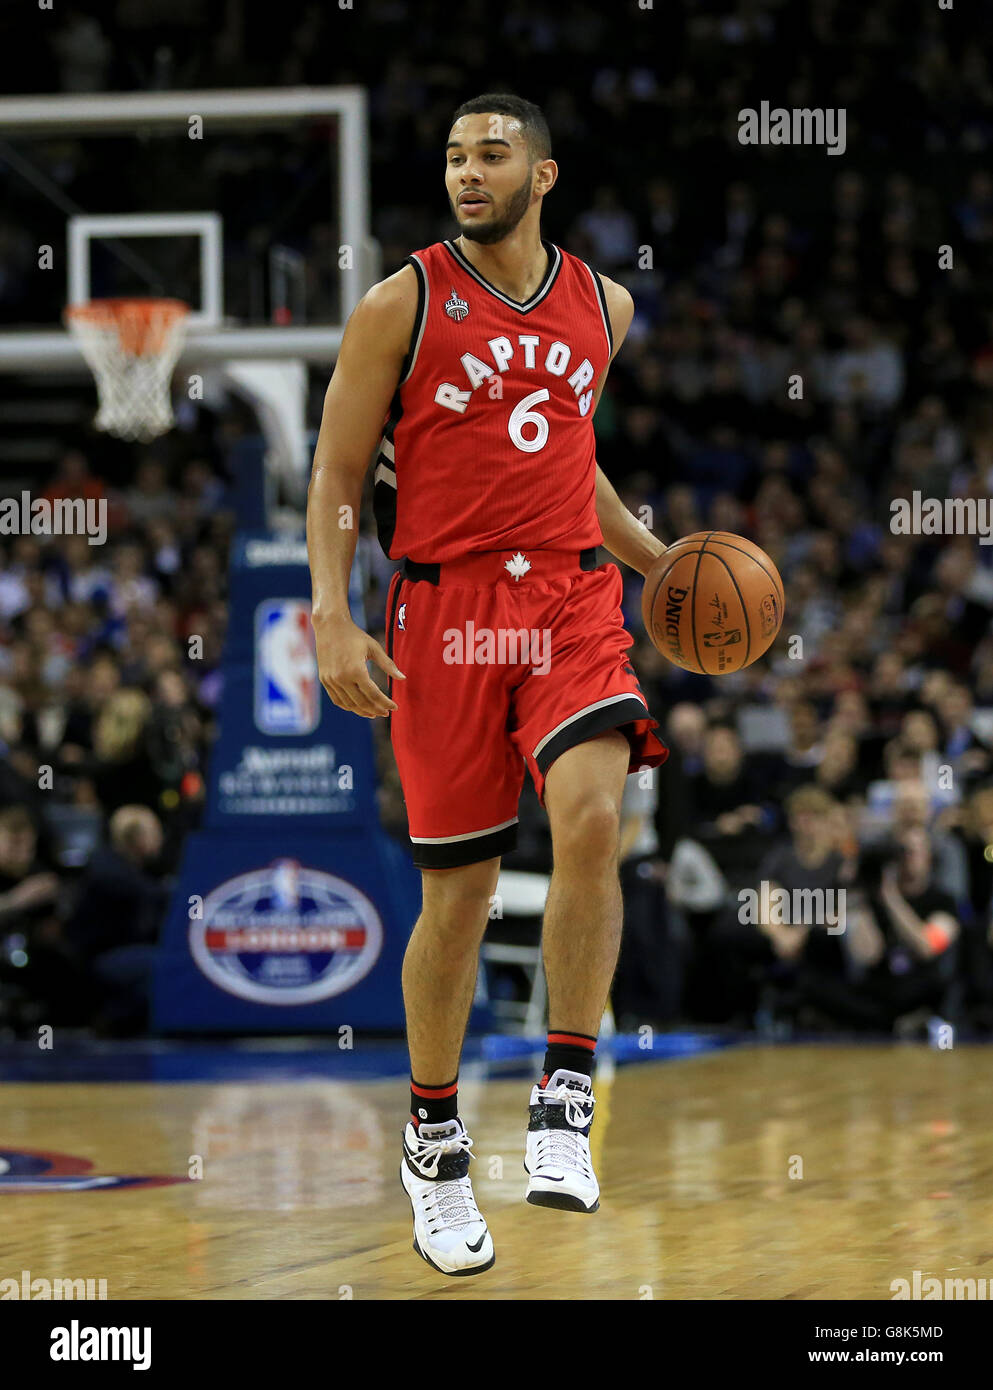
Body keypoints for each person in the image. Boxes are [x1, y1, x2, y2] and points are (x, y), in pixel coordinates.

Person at [307, 93, 668, 1276]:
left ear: (544, 173)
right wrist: (332, 614)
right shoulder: (398, 304)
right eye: (456, 156)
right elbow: (339, 473)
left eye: (492, 154)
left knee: (595, 817)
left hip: (569, 598)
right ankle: (434, 1137)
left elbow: (571, 457)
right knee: (457, 902)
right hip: (446, 609)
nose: (468, 172)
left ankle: (568, 1092)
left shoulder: (603, 307)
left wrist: (654, 560)